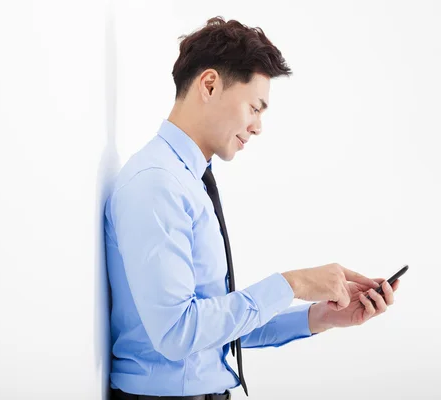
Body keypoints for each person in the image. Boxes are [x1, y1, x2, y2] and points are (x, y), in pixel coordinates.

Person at [103, 16, 400, 400]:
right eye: (255, 107)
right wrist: (292, 284)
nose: (258, 126)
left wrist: (321, 316)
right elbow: (178, 333)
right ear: (209, 84)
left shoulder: (187, 180)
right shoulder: (157, 183)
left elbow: (212, 324)